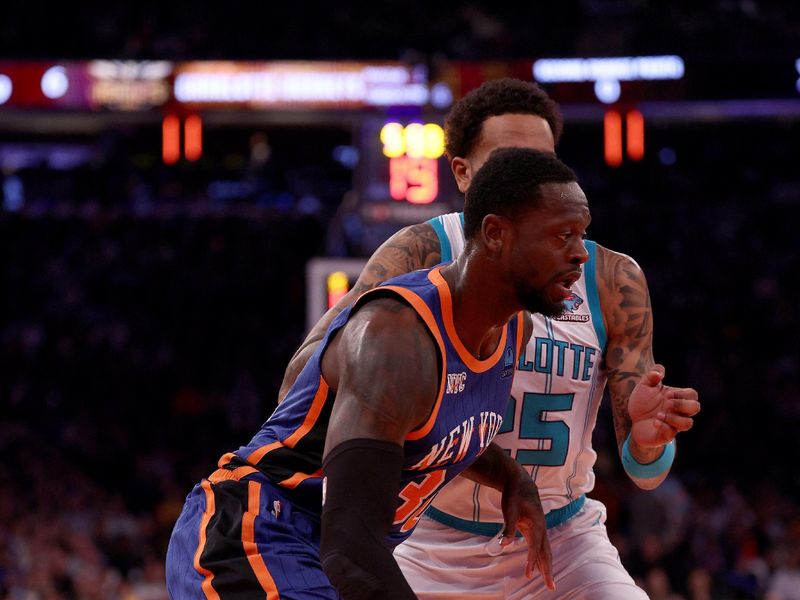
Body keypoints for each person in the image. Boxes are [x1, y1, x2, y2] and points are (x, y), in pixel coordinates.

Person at [280, 78, 701, 599]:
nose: (526, 178)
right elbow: (303, 379)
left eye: (540, 161)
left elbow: (645, 471)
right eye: (508, 160)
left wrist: (645, 437)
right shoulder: (419, 253)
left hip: (562, 537)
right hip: (423, 540)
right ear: (462, 172)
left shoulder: (609, 277)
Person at [165, 147, 596, 599]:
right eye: (562, 236)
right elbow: (352, 551)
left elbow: (439, 427)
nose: (580, 254)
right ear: (494, 234)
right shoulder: (395, 337)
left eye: (581, 235)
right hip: (255, 533)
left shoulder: (511, 330)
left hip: (321, 554)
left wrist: (511, 477)